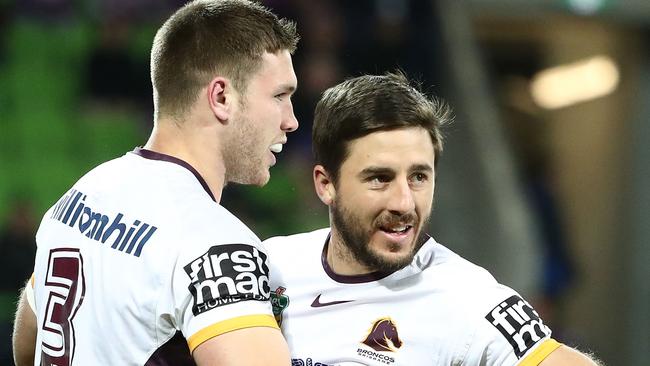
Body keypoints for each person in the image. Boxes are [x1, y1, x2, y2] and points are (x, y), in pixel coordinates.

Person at [12, 0, 299, 365]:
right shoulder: (216, 245)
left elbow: (29, 344)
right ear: (221, 97)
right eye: (280, 96)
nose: (291, 120)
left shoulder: (79, 196)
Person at [264, 72, 602, 365]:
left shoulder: (466, 296)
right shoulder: (267, 265)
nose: (404, 202)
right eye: (379, 178)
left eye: (419, 177)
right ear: (326, 184)